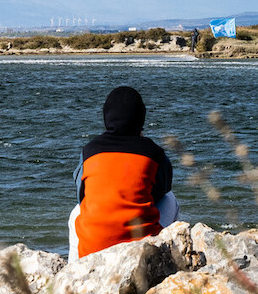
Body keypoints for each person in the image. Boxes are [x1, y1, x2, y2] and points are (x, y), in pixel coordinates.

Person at [68, 86, 177, 262]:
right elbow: (163, 189)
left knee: (76, 211)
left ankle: (74, 267)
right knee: (170, 198)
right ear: (141, 118)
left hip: (93, 250)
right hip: (140, 249)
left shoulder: (89, 151)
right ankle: (166, 261)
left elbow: (81, 195)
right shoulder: (153, 152)